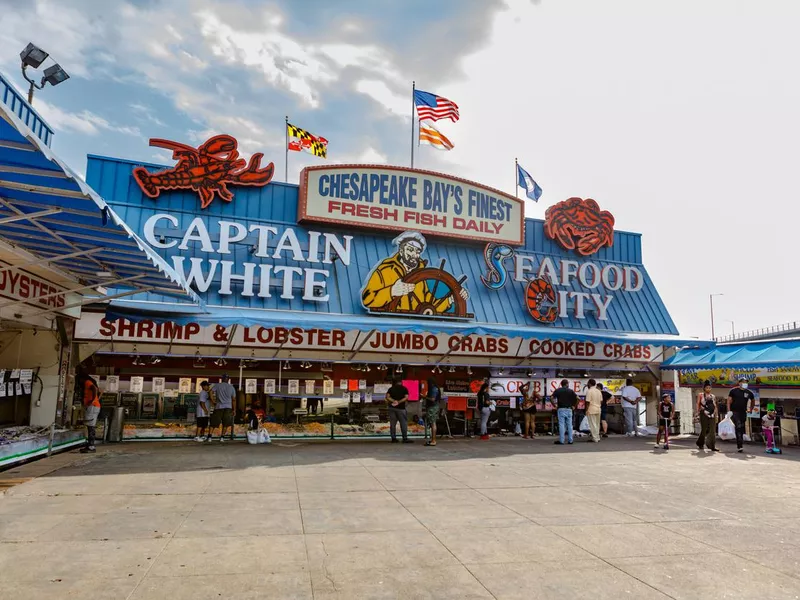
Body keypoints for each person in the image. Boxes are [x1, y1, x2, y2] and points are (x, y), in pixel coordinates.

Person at [361, 231, 469, 315]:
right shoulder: (385, 270)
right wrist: (391, 291)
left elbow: (429, 307)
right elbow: (367, 300)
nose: (414, 255)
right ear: (401, 250)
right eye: (410, 250)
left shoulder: (420, 275)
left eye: (417, 252)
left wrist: (451, 298)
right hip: (390, 327)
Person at [727, 377, 755, 453]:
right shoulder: (733, 391)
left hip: (743, 412)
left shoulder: (749, 392)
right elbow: (729, 401)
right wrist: (729, 411)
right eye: (743, 382)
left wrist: (750, 409)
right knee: (738, 426)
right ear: (739, 383)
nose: (745, 383)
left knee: (741, 428)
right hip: (735, 412)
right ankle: (740, 445)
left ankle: (740, 443)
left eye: (746, 382)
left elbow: (753, 401)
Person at [208, 374, 236, 442]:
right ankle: (222, 437)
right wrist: (234, 409)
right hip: (228, 407)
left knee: (213, 422)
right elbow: (234, 399)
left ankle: (210, 437)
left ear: (222, 379)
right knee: (225, 423)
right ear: (228, 379)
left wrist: (213, 400)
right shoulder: (231, 387)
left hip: (218, 407)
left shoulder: (218, 385)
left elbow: (210, 391)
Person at [79, 373, 101, 454]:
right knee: (90, 426)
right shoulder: (89, 382)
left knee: (91, 426)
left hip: (92, 406)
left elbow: (94, 389)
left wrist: (91, 401)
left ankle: (91, 446)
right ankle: (89, 445)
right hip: (93, 406)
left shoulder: (87, 382)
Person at [552, 379, 578, 445]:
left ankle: (561, 440)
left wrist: (554, 405)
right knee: (570, 425)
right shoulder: (571, 391)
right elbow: (578, 398)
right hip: (569, 409)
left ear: (561, 384)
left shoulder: (558, 390)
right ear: (566, 384)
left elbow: (551, 397)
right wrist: (574, 406)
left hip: (561, 409)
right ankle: (570, 440)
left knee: (561, 425)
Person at [386, 379, 412, 443]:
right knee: (403, 423)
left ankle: (393, 438)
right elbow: (406, 397)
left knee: (392, 424)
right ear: (401, 382)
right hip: (401, 408)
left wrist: (394, 401)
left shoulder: (391, 389)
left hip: (392, 408)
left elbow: (387, 397)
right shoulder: (404, 388)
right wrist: (399, 402)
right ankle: (405, 438)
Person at [696, 381, 719, 452]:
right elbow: (698, 404)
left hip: (712, 414)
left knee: (713, 430)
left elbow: (715, 406)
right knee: (704, 429)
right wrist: (697, 413)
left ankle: (712, 445)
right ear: (704, 388)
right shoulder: (701, 395)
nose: (708, 389)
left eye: (709, 388)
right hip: (703, 413)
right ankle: (700, 443)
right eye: (707, 388)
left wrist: (717, 415)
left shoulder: (713, 396)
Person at [424, 378, 442, 447]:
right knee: (433, 423)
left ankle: (433, 440)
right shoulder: (436, 388)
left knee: (433, 423)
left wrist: (424, 397)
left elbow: (432, 399)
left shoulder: (433, 389)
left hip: (433, 407)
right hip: (435, 407)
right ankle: (433, 439)